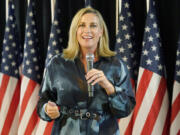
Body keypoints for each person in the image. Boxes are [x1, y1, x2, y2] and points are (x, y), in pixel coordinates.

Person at [37, 7, 136, 135]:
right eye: (82, 25)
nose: (87, 30)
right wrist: (47, 109)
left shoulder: (116, 65)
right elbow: (42, 101)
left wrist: (108, 86)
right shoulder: (57, 63)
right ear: (75, 31)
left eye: (93, 25)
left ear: (101, 32)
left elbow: (126, 109)